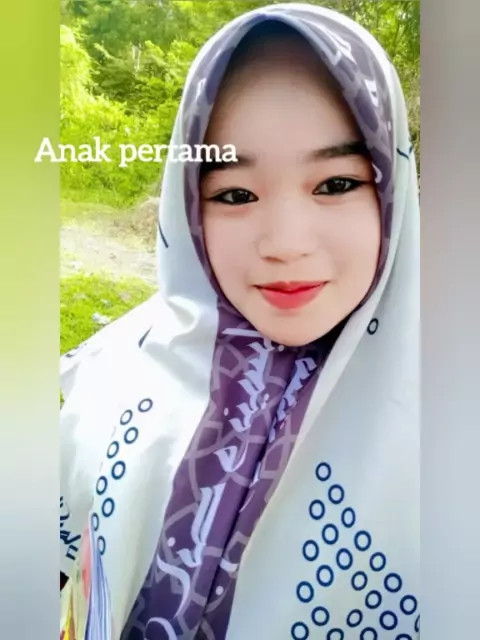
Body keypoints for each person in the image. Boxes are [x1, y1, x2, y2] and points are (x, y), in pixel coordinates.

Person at [60, 3, 419, 640]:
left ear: (394, 184)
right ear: (188, 207)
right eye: (234, 194)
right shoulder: (111, 379)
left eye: (336, 184)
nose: (285, 243)